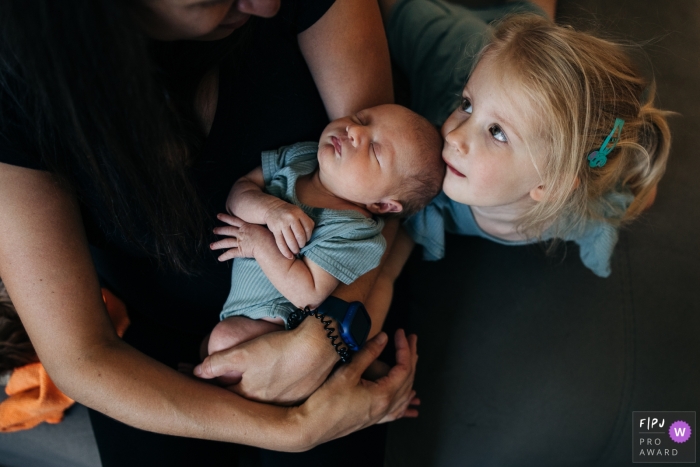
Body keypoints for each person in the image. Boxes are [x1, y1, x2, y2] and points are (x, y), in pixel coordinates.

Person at [0, 0, 418, 465]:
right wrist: (291, 430)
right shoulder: (17, 92)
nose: (266, 5)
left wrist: (319, 345)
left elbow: (374, 210)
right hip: (152, 339)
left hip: (332, 301)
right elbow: (81, 357)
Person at [368, 0, 671, 304]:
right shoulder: (429, 173)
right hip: (454, 50)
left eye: (497, 132)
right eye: (466, 105)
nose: (455, 136)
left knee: (531, 17)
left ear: (551, 185)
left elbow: (643, 195)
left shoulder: (583, 214)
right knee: (399, 10)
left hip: (501, 72)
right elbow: (387, 266)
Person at [202, 104, 442, 390]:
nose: (353, 131)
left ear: (381, 204)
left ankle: (353, 375)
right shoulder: (301, 156)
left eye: (375, 150)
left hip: (279, 325)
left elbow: (308, 293)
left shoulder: (355, 230)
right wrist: (269, 209)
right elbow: (240, 190)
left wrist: (259, 244)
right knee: (209, 346)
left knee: (222, 343)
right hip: (243, 311)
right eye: (361, 118)